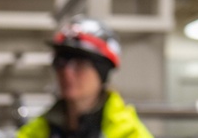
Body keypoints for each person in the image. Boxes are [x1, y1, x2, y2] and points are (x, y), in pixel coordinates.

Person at [19, 15, 153, 138]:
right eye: (61, 62)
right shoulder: (36, 132)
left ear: (102, 71)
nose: (66, 72)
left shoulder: (129, 134)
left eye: (80, 63)